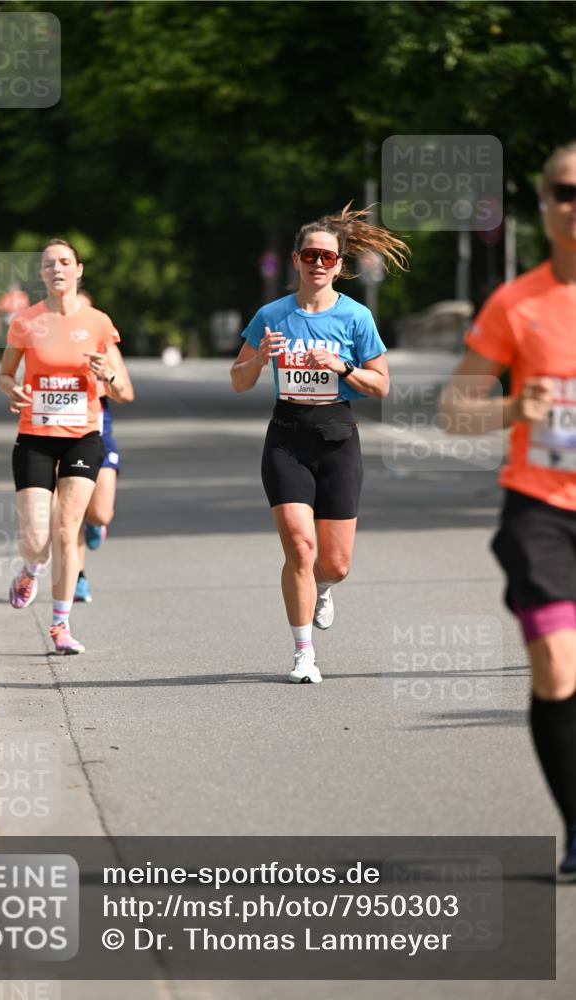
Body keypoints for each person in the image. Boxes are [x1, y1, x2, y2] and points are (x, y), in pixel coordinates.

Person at [440, 141, 576, 874]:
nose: (574, 204)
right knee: (556, 666)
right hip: (541, 508)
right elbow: (453, 410)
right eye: (563, 191)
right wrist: (510, 408)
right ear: (544, 202)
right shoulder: (515, 303)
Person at [231, 203, 409, 683]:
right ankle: (303, 653)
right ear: (296, 260)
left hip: (338, 440)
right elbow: (239, 381)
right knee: (300, 549)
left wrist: (343, 368)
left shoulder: (356, 317)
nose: (318, 264)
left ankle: (323, 589)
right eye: (310, 255)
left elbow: (382, 386)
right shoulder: (271, 315)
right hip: (286, 438)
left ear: (339, 265)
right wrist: (258, 359)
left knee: (335, 564)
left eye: (327, 257)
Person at [0, 239, 130, 654]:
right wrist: (12, 390)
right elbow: (4, 374)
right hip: (35, 438)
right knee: (37, 540)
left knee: (65, 529)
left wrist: (106, 373)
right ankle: (31, 569)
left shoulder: (97, 322)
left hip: (83, 437)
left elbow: (124, 392)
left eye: (65, 262)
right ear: (42, 273)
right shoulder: (25, 321)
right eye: (49, 264)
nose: (57, 269)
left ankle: (60, 624)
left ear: (78, 270)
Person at [73, 289, 134, 602]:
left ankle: (97, 525)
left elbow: (126, 394)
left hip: (99, 432)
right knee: (71, 511)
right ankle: (77, 577)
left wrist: (106, 375)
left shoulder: (102, 343)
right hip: (62, 435)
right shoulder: (51, 346)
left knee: (99, 514)